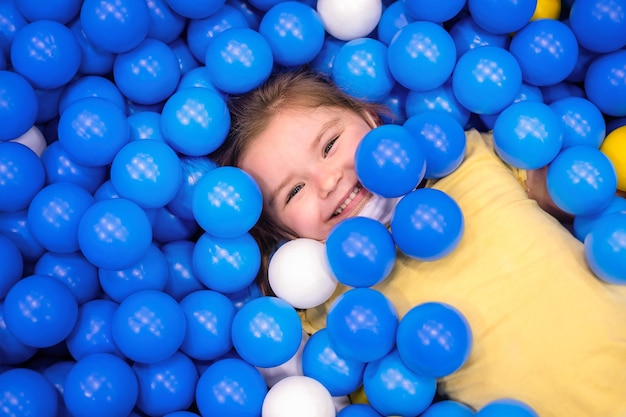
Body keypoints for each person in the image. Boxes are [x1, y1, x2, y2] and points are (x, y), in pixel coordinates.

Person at [210, 68, 626, 416]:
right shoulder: (332, 299)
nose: (328, 180)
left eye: (331, 145)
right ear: (285, 233)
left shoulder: (470, 161)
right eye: (293, 192)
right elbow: (295, 384)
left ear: (369, 120)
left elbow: (576, 193)